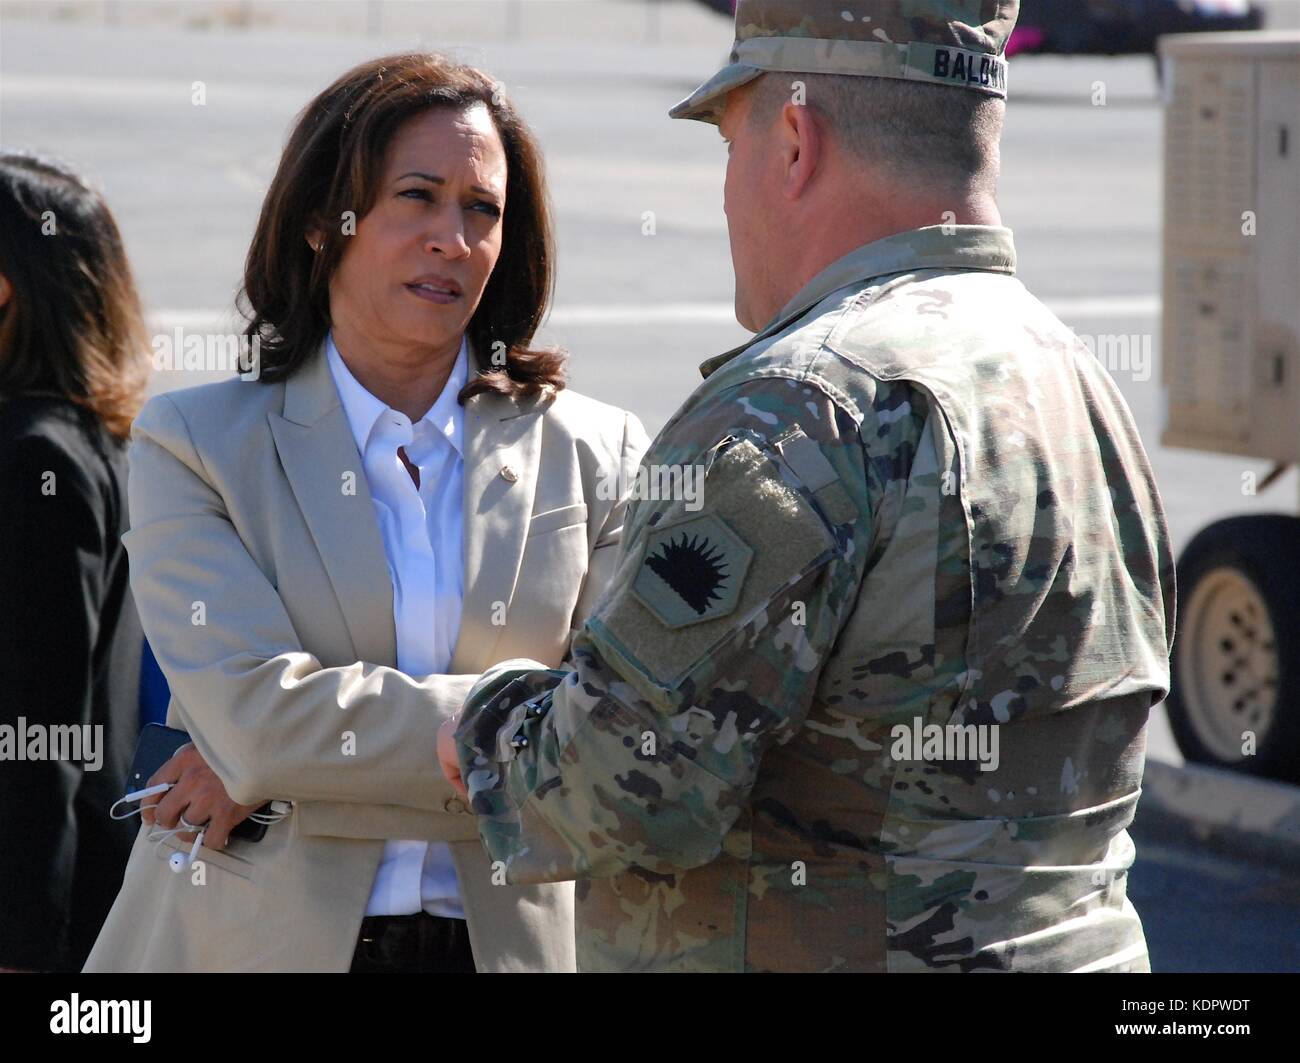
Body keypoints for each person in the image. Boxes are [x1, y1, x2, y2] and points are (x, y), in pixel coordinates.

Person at [441, 0, 1176, 973]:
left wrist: (485, 721)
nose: (724, 192)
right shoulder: (1078, 382)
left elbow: (623, 788)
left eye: (728, 143)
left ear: (792, 139)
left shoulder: (801, 407)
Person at [85, 53, 648, 973]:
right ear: (321, 222)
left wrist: (277, 777)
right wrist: (516, 731)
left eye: (483, 209)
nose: (451, 238)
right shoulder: (193, 444)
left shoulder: (600, 452)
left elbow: (621, 737)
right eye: (416, 196)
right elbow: (261, 721)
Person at [0, 152, 150, 972]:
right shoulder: (93, 442)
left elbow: (38, 737)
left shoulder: (35, 461)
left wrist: (23, 950)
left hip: (43, 923)